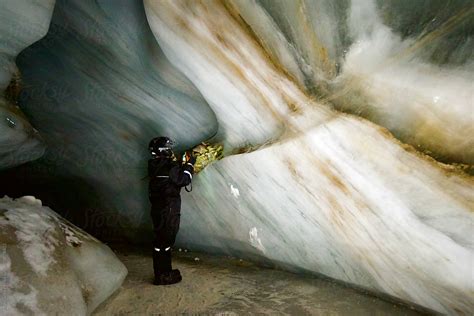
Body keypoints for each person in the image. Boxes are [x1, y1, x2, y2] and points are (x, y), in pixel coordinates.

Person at [148, 136, 195, 285]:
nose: (172, 151)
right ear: (165, 151)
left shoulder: (154, 165)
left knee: (159, 241)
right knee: (166, 241)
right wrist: (190, 164)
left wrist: (178, 164)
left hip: (157, 208)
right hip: (169, 209)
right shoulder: (169, 167)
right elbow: (183, 180)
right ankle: (164, 276)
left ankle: (161, 273)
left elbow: (171, 177)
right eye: (170, 149)